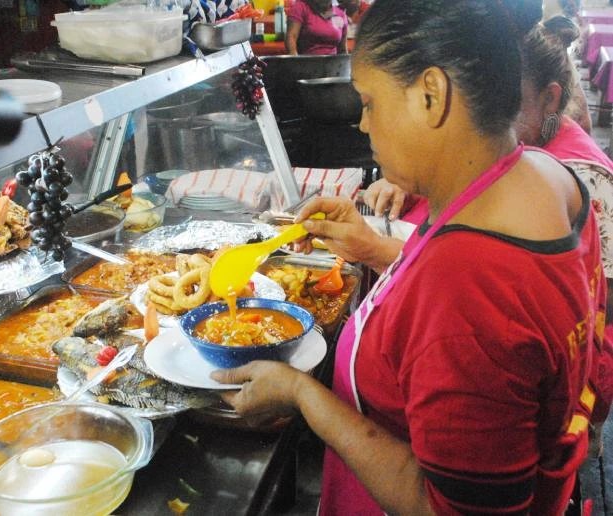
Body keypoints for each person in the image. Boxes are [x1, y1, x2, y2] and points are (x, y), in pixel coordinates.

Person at [212, 1, 607, 514]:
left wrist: (303, 396)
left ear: (431, 95)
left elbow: (443, 507)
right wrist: (375, 249)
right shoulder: (545, 176)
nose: (362, 124)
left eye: (370, 102)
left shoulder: (465, 287)